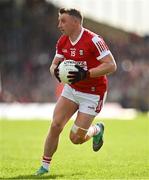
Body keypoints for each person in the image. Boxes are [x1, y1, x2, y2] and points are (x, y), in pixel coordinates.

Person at [36, 8, 117, 175]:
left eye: (63, 21)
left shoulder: (94, 40)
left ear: (76, 22)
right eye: (59, 21)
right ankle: (44, 167)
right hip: (72, 89)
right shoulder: (62, 41)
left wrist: (86, 74)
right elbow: (53, 66)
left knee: (76, 138)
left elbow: (111, 65)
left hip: (93, 93)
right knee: (55, 125)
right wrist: (56, 72)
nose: (59, 25)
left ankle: (97, 130)